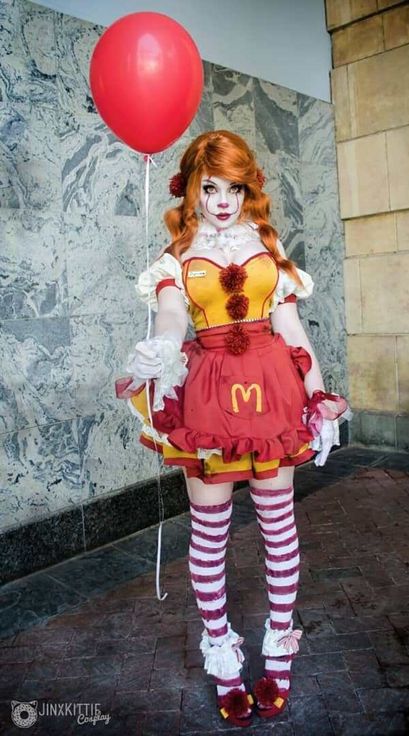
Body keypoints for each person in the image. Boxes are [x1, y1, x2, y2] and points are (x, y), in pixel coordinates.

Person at [118, 130, 348, 727]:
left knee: (278, 523)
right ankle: (222, 657)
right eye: (210, 186)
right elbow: (172, 315)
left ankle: (279, 651)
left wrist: (319, 396)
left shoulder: (270, 250)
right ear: (192, 188)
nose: (222, 200)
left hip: (273, 391)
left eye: (234, 187)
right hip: (210, 398)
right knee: (210, 530)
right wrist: (160, 348)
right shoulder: (176, 257)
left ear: (250, 189)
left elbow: (295, 334)